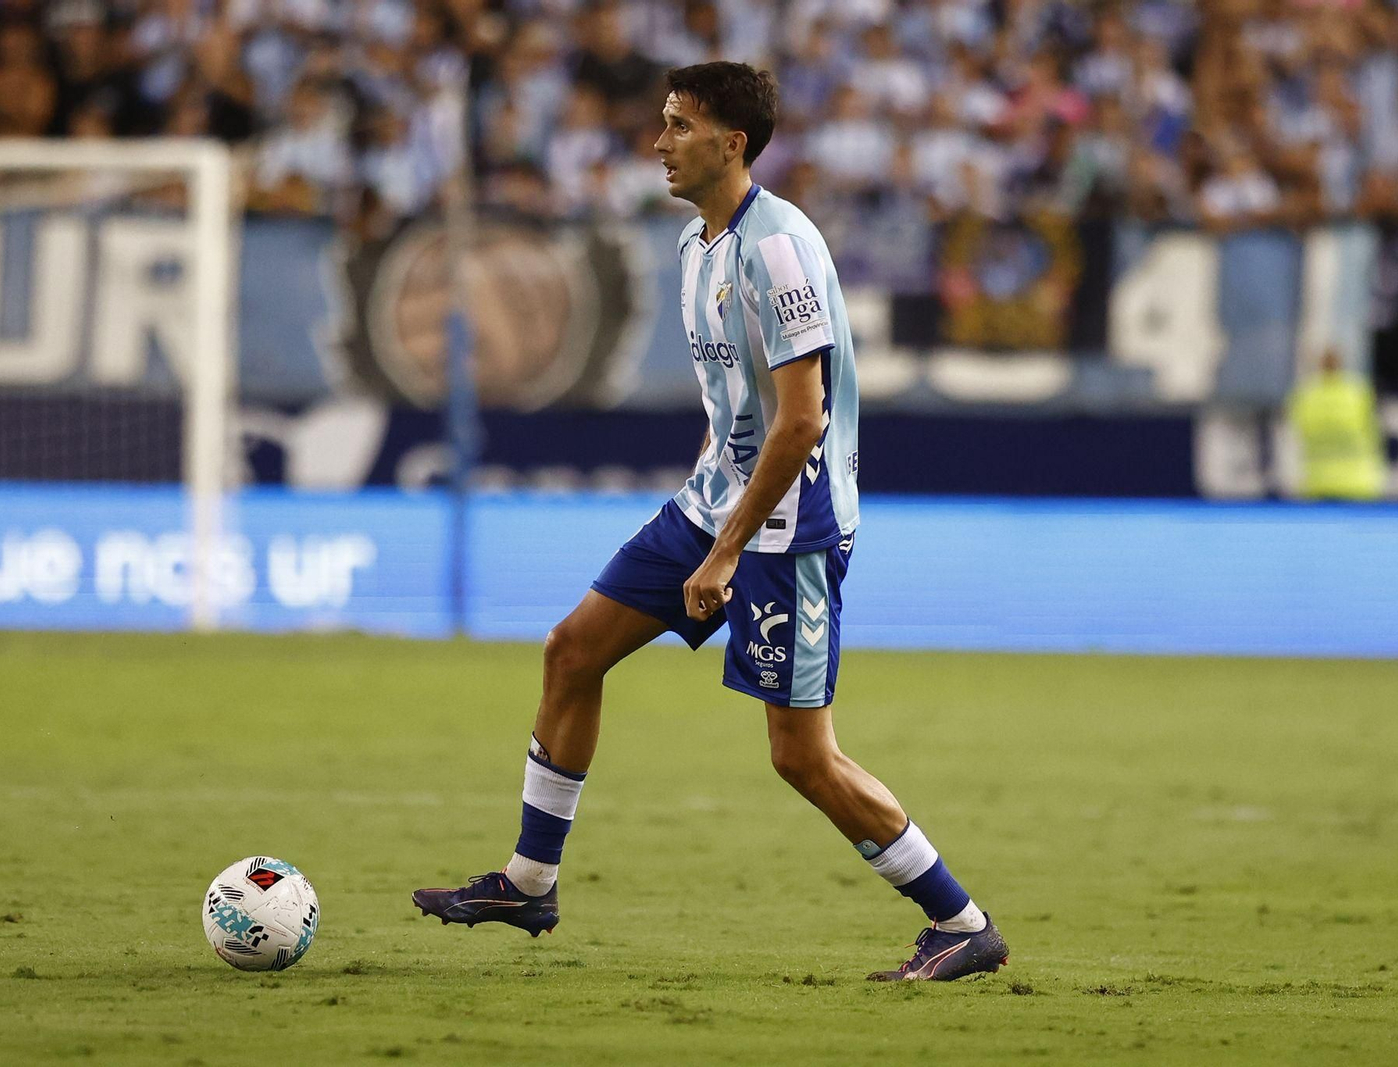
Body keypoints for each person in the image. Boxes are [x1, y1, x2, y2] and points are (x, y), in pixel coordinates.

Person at [413, 62, 1008, 983]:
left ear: (732, 143)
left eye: (679, 125)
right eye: (662, 122)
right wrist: (706, 504)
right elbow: (735, 396)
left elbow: (802, 419)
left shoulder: (780, 248)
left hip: (788, 527)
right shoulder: (699, 244)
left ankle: (961, 921)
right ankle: (529, 881)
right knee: (573, 651)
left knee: (801, 757)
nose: (659, 142)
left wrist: (725, 550)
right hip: (716, 507)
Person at [1288, 348, 1387, 501]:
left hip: (1317, 483)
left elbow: (1295, 432)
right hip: (1359, 483)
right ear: (1341, 365)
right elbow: (1375, 433)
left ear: (1320, 366)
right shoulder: (1358, 393)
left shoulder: (1306, 396)